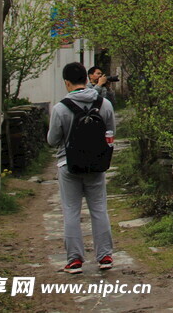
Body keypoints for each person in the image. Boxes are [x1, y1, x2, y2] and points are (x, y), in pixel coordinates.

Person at [47, 62, 115, 274]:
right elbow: (111, 134)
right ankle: (104, 256)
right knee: (99, 209)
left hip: (69, 166)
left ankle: (75, 260)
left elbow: (52, 140)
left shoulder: (60, 108)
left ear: (67, 82)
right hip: (96, 166)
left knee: (71, 212)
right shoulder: (104, 104)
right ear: (87, 79)